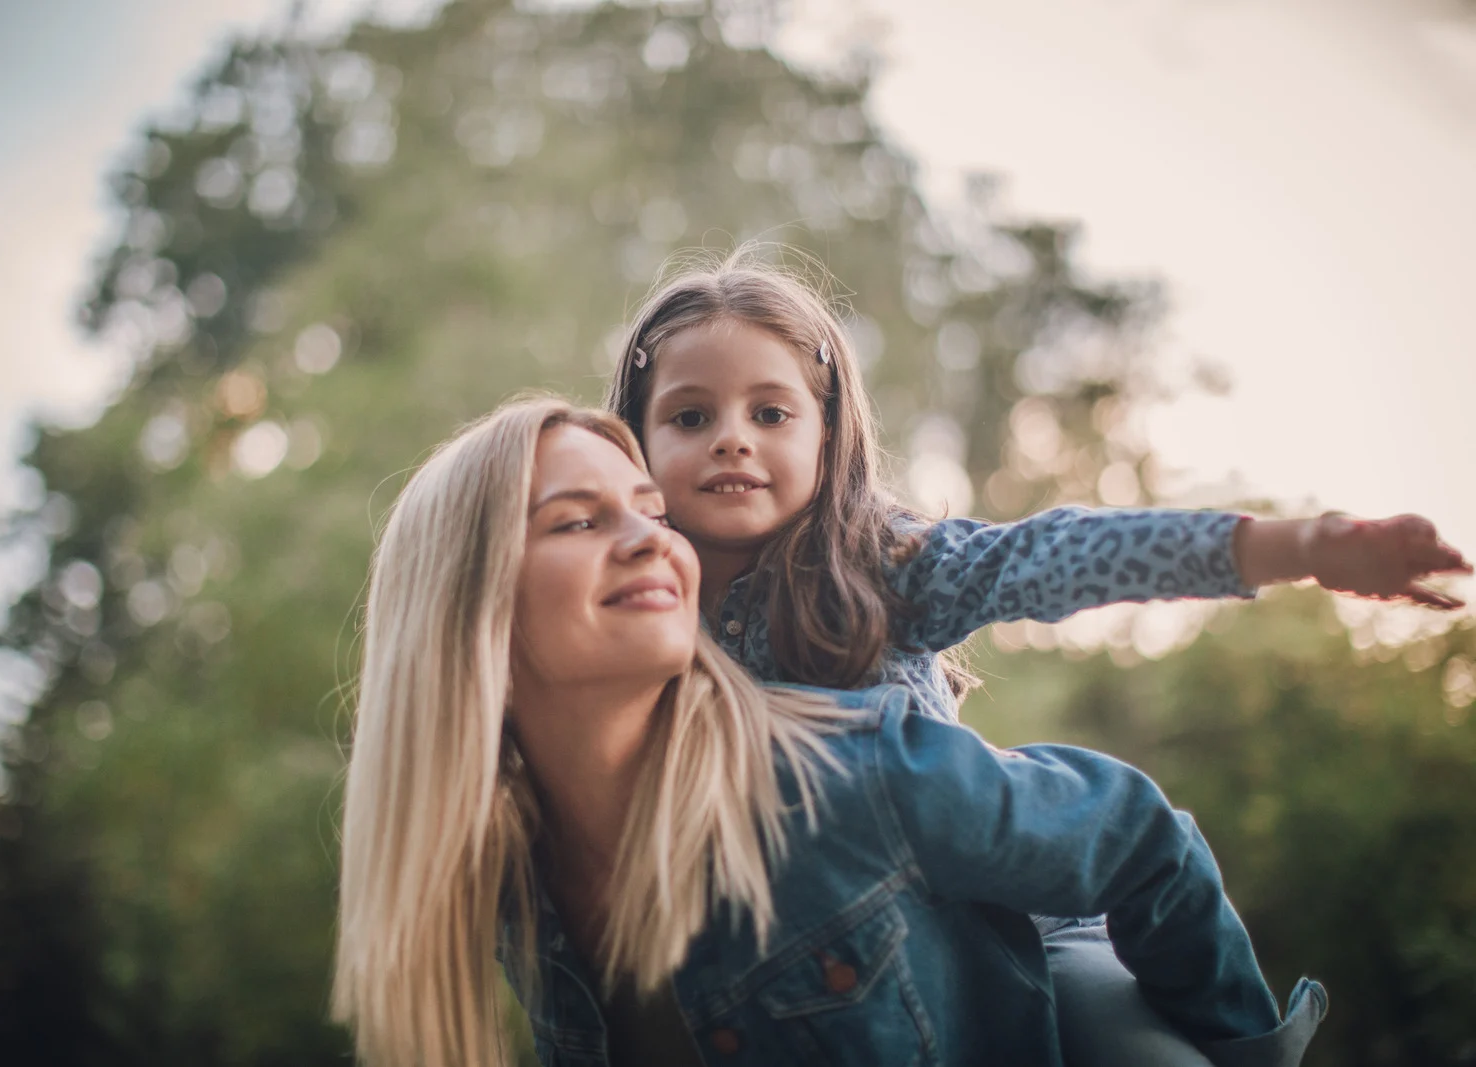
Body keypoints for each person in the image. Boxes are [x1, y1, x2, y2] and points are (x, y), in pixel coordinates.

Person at [603, 246, 1469, 1066]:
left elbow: (1050, 556)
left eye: (771, 412)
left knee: (1137, 1050)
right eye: (690, 415)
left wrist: (1297, 546)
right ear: (632, 446)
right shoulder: (628, 623)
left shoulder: (883, 564)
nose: (732, 437)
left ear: (826, 438)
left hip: (1015, 929)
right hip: (816, 978)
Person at [330, 396, 1326, 1067]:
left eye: (646, 506)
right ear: (466, 608)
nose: (651, 536)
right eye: (576, 521)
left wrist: (1234, 1046)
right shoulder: (508, 888)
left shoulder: (840, 772)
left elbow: (1140, 837)